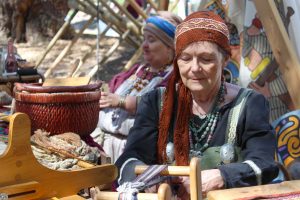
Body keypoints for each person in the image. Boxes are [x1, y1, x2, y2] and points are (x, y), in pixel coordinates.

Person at [115, 11, 279, 197]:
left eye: (206, 59)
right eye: (185, 58)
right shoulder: (155, 103)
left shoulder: (249, 104)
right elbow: (128, 161)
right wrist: (148, 179)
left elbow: (265, 164)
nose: (194, 68)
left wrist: (222, 176)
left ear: (225, 60)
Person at [93, 11, 182, 163]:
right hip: (106, 147)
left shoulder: (175, 77)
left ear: (170, 47)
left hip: (138, 156)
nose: (144, 46)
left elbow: (162, 104)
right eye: (144, 39)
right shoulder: (138, 70)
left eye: (151, 40)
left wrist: (121, 101)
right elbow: (112, 89)